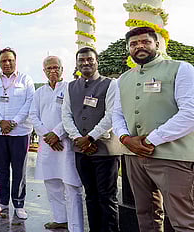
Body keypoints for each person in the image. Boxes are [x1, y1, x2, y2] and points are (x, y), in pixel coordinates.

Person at [112, 27, 194, 231]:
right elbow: (117, 114)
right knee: (145, 214)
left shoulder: (180, 69)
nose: (139, 46)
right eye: (133, 44)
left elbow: (190, 113)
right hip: (134, 156)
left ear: (157, 44)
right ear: (128, 49)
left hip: (173, 156)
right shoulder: (123, 79)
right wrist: (125, 138)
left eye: (145, 42)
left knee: (183, 218)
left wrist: (151, 140)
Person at [62, 47, 122, 232]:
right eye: (82, 60)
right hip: (81, 150)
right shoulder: (71, 86)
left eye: (90, 60)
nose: (85, 63)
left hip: (105, 150)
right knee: (90, 195)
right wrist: (78, 138)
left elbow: (112, 114)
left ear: (97, 62)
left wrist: (91, 137)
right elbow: (66, 115)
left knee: (107, 197)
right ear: (77, 63)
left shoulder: (110, 84)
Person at [29, 56, 83, 231]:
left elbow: (73, 114)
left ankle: (76, 225)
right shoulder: (39, 92)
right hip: (47, 145)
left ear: (62, 69)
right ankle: (60, 219)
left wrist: (57, 134)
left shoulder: (70, 88)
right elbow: (33, 116)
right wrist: (47, 136)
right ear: (44, 71)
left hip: (65, 144)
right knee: (52, 183)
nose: (53, 71)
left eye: (56, 67)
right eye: (49, 68)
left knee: (70, 185)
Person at [0, 47, 35, 220]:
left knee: (19, 170)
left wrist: (13, 122)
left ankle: (19, 204)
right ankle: (3, 202)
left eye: (10, 60)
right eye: (3, 60)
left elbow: (29, 103)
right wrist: (0, 121)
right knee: (1, 168)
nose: (7, 63)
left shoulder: (26, 79)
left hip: (20, 132)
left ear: (15, 61)